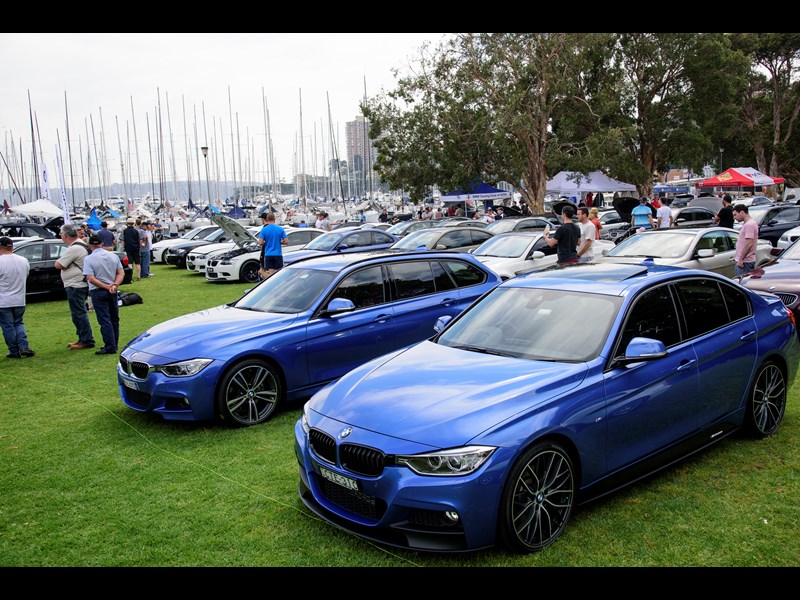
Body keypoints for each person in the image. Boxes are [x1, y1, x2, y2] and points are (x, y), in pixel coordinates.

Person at [55, 224, 95, 350]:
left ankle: (86, 340)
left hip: (76, 284)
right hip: (78, 283)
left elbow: (59, 264)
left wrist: (63, 264)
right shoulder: (79, 245)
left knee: (78, 313)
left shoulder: (74, 248)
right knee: (78, 313)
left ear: (65, 235)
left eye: (61, 234)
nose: (61, 236)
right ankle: (82, 338)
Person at [83, 235, 124, 355]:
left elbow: (90, 278)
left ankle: (109, 345)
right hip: (112, 289)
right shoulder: (113, 255)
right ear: (101, 244)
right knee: (114, 318)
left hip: (98, 290)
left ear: (90, 246)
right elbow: (120, 272)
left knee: (104, 319)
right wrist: (114, 284)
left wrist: (106, 286)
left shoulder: (89, 259)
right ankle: (114, 343)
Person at [0, 236, 35, 359]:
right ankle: (23, 346)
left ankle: (14, 350)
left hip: (3, 300)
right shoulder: (23, 260)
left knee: (7, 325)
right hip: (19, 298)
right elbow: (26, 275)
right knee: (19, 323)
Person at [257, 211, 288, 280]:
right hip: (278, 254)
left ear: (267, 219)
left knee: (271, 274)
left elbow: (260, 242)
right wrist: (280, 242)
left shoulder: (264, 230)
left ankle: (272, 285)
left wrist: (266, 242)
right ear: (275, 219)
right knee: (279, 273)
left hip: (268, 254)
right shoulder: (280, 229)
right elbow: (286, 241)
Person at [733, 204, 758, 277]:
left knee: (740, 284)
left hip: (745, 262)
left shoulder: (749, 225)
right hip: (745, 261)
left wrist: (741, 259)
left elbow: (749, 243)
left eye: (735, 215)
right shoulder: (748, 224)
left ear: (741, 212)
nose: (734, 218)